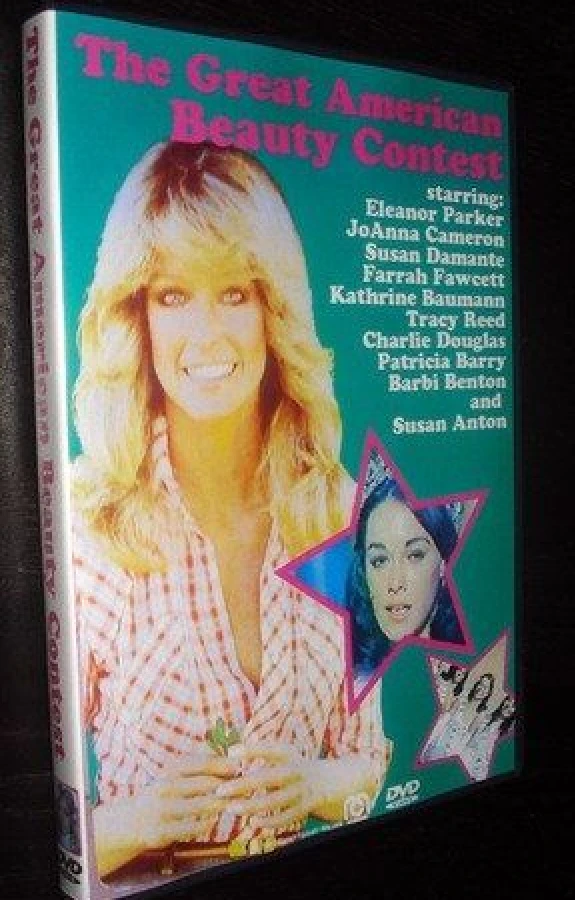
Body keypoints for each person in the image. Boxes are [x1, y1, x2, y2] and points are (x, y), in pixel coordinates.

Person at [71, 141, 389, 878]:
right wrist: (142, 819)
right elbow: (54, 836)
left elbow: (367, 767)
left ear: (273, 311)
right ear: (138, 317)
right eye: (173, 296)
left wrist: (313, 784)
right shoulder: (92, 525)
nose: (206, 333)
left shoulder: (341, 512)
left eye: (235, 294)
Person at [345, 476, 464, 678]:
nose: (395, 583)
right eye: (380, 560)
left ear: (444, 565)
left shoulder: (474, 678)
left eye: (414, 556)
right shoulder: (348, 685)